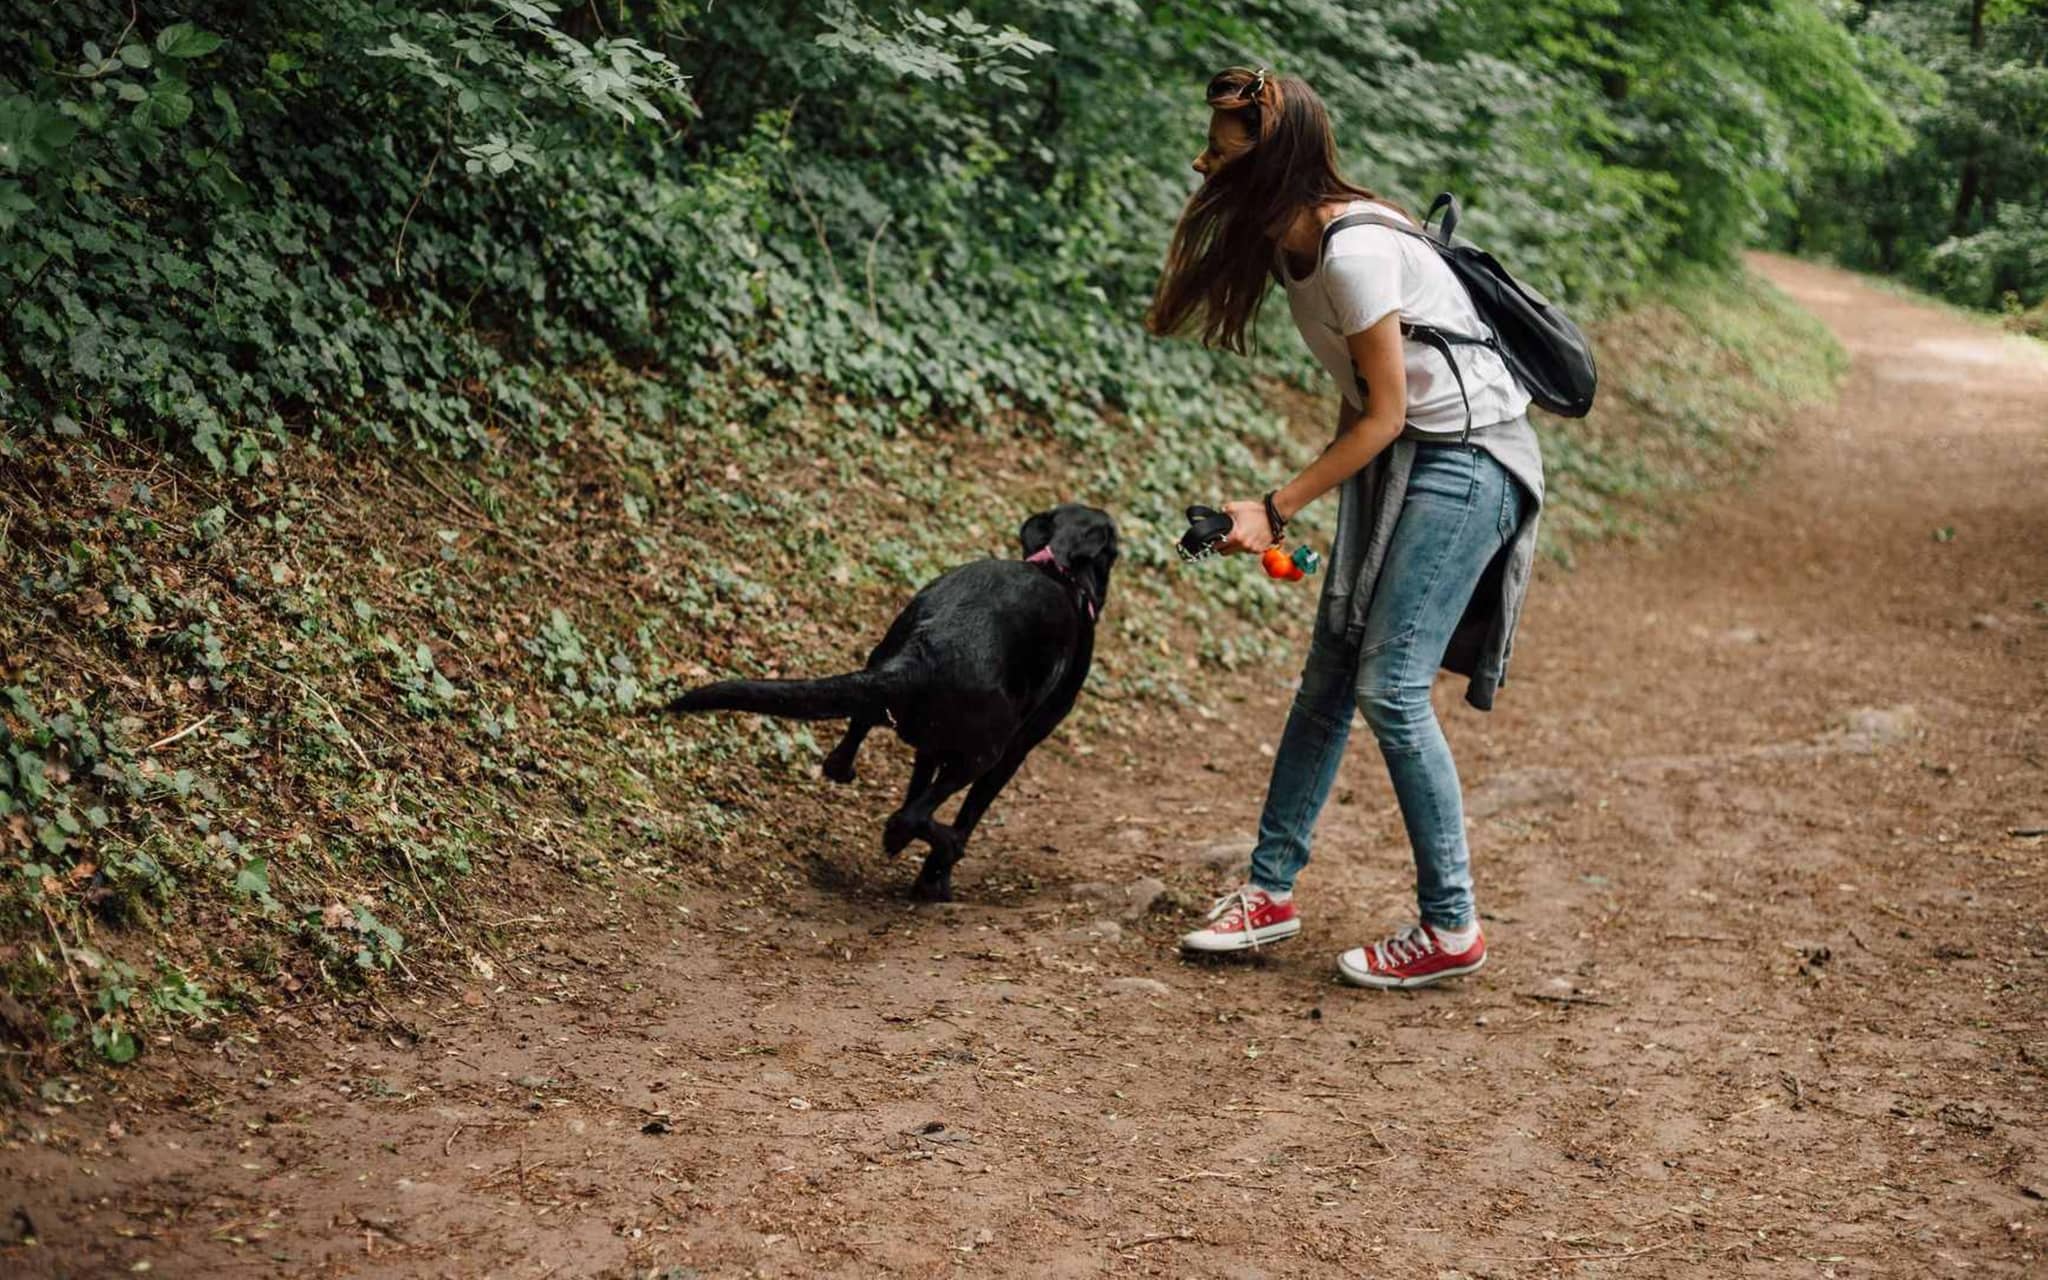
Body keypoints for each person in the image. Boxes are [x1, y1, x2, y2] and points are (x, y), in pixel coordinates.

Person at [1149, 67, 1544, 989]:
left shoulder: (1352, 252)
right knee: (1330, 666)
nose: (1203, 158)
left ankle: (1452, 927)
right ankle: (1269, 892)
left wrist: (1277, 506)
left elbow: (1390, 413)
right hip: (1403, 457)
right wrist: (1290, 506)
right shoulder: (1294, 246)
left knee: (1392, 685)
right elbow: (1364, 403)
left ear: (1273, 160)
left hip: (1472, 458)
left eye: (1222, 144)